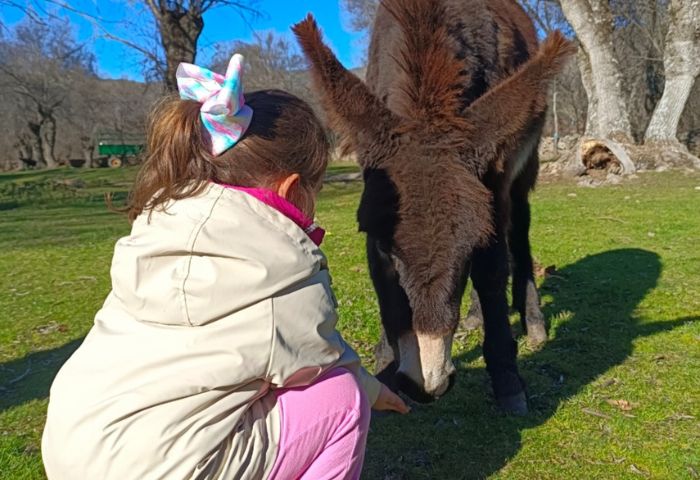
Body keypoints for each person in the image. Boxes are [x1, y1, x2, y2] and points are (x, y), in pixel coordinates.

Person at [42, 54, 409, 480]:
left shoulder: (155, 231)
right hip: (160, 468)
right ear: (292, 189)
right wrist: (372, 388)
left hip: (74, 449)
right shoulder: (281, 270)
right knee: (342, 398)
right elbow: (322, 361)